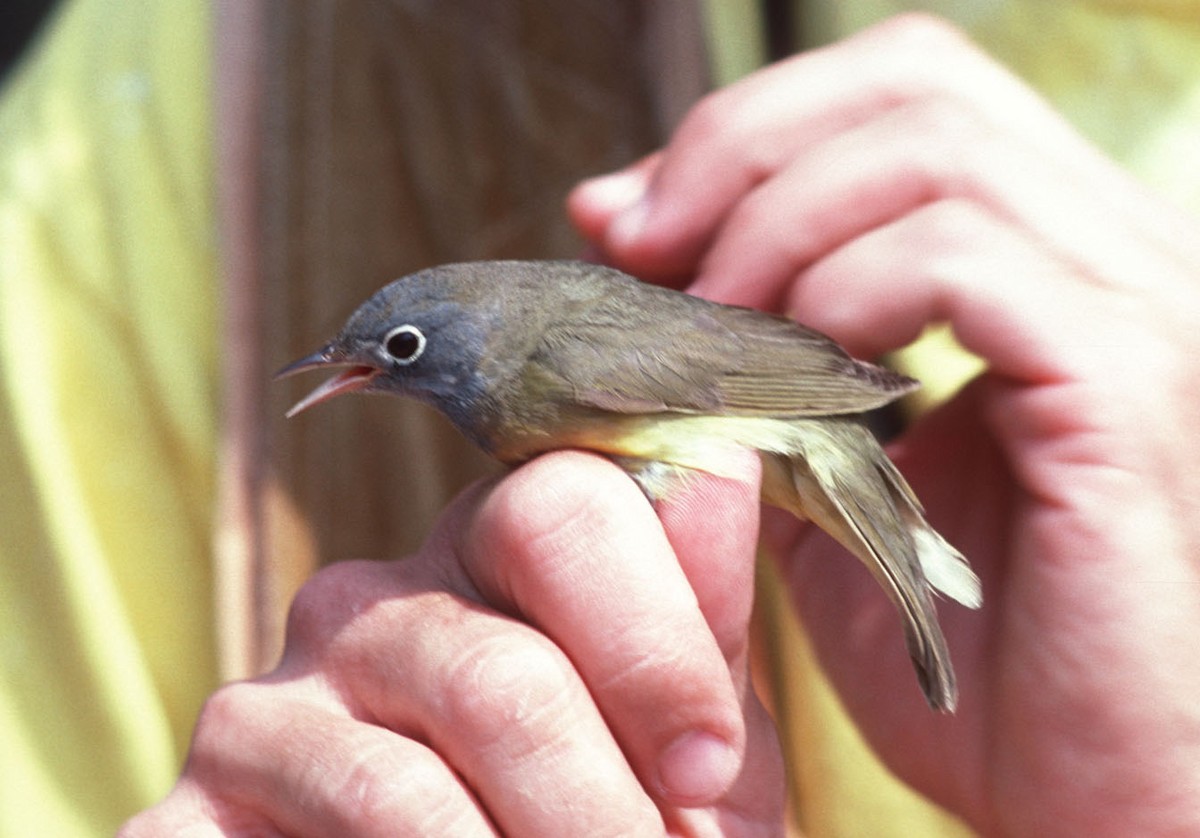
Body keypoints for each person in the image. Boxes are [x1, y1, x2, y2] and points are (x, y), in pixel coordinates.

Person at [117, 12, 1200, 837]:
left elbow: (728, 383)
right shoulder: (156, 103)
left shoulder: (550, 354)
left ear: (458, 340)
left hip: (791, 419)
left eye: (400, 351)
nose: (378, 369)